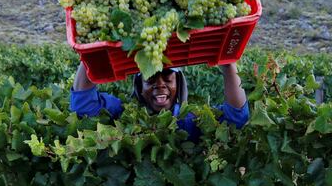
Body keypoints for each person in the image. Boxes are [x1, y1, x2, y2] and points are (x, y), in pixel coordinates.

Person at [70, 62, 249, 142]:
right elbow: (83, 106)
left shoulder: (192, 120)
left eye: (167, 79)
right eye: (151, 79)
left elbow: (237, 118)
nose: (160, 84)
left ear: (178, 85)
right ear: (140, 87)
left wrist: (228, 64)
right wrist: (91, 56)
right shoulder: (122, 114)